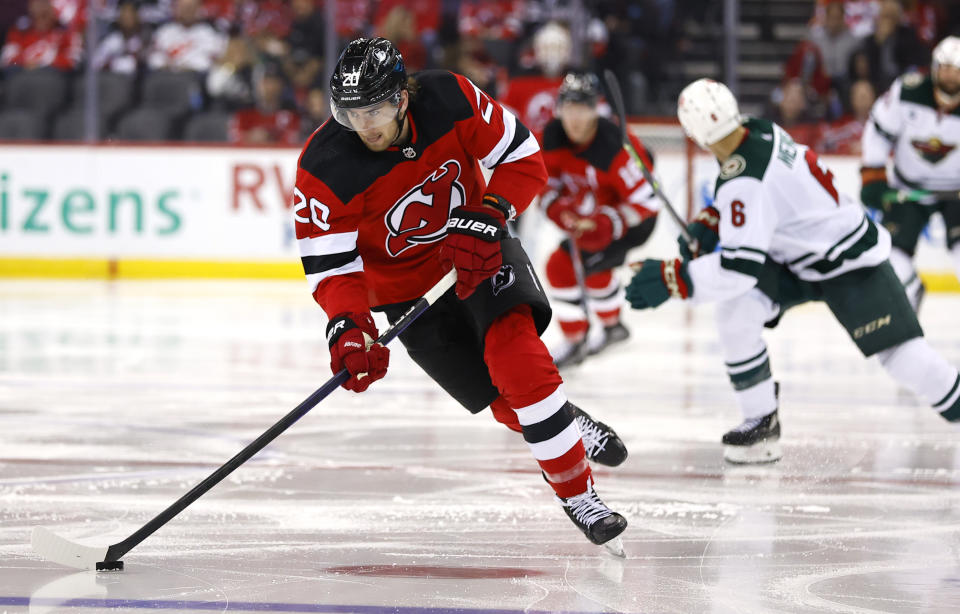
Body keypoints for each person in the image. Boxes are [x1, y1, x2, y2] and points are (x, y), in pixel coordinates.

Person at [292, 37, 628, 549]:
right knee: (499, 398)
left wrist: (490, 212)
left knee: (515, 356)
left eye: (377, 110)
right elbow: (334, 269)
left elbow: (524, 159)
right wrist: (349, 327)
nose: (366, 127)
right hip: (404, 293)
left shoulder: (450, 98)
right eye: (352, 114)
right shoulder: (323, 166)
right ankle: (568, 423)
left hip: (476, 251)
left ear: (402, 97)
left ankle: (579, 494)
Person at [625, 77, 960, 464]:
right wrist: (712, 220)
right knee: (737, 313)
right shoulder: (758, 130)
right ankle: (760, 420)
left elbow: (738, 268)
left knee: (901, 355)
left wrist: (674, 278)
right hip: (797, 257)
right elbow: (756, 202)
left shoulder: (744, 182)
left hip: (846, 261)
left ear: (694, 134)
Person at [540, 71, 659, 368]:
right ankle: (612, 327)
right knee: (591, 268)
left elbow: (649, 201)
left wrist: (610, 223)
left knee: (560, 266)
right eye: (569, 109)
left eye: (582, 109)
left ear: (596, 109)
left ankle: (576, 340)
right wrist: (557, 209)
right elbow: (545, 184)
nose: (574, 119)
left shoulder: (616, 147)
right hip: (590, 219)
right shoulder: (553, 136)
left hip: (632, 222)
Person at [860, 36, 960, 312]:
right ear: (934, 68)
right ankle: (912, 290)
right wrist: (873, 174)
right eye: (945, 67)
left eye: (956, 69)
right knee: (890, 253)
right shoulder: (907, 92)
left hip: (956, 192)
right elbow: (878, 131)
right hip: (908, 187)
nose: (950, 75)